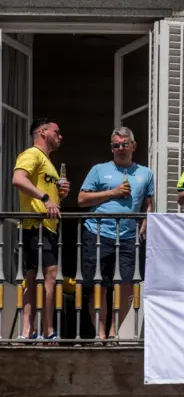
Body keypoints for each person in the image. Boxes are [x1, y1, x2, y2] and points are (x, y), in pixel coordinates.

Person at [77, 127, 154, 342]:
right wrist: (113, 192)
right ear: (111, 148)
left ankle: (113, 332)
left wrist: (146, 220)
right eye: (116, 145)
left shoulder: (146, 173)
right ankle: (99, 334)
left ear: (133, 146)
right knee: (98, 285)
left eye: (124, 144)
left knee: (127, 285)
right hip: (98, 232)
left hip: (129, 236)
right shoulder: (98, 170)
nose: (120, 149)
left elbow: (148, 203)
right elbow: (82, 200)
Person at [12, 118, 70, 340]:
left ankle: (27, 331)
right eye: (57, 131)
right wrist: (46, 197)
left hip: (44, 226)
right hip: (35, 225)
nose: (60, 136)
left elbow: (49, 199)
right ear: (43, 133)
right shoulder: (32, 154)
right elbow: (18, 179)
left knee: (32, 277)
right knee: (49, 274)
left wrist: (59, 194)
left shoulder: (48, 162)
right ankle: (47, 331)